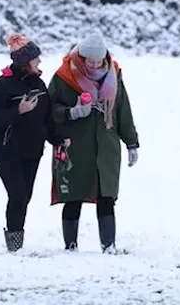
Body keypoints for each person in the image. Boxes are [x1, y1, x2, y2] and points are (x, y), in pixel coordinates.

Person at [47, 31, 140, 253]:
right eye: (91, 60)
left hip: (106, 148)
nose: (96, 64)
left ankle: (109, 246)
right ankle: (70, 246)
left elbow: (122, 111)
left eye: (100, 60)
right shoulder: (63, 78)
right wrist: (72, 112)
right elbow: (48, 111)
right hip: (74, 147)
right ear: (81, 57)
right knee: (73, 197)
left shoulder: (114, 75)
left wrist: (132, 143)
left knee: (106, 196)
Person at [0, 32, 69, 253]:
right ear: (24, 63)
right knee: (18, 194)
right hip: (5, 150)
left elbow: (47, 120)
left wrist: (58, 139)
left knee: (25, 197)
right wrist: (18, 110)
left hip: (32, 151)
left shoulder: (40, 84)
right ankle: (14, 246)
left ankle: (16, 241)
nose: (39, 62)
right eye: (35, 59)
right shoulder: (2, 86)